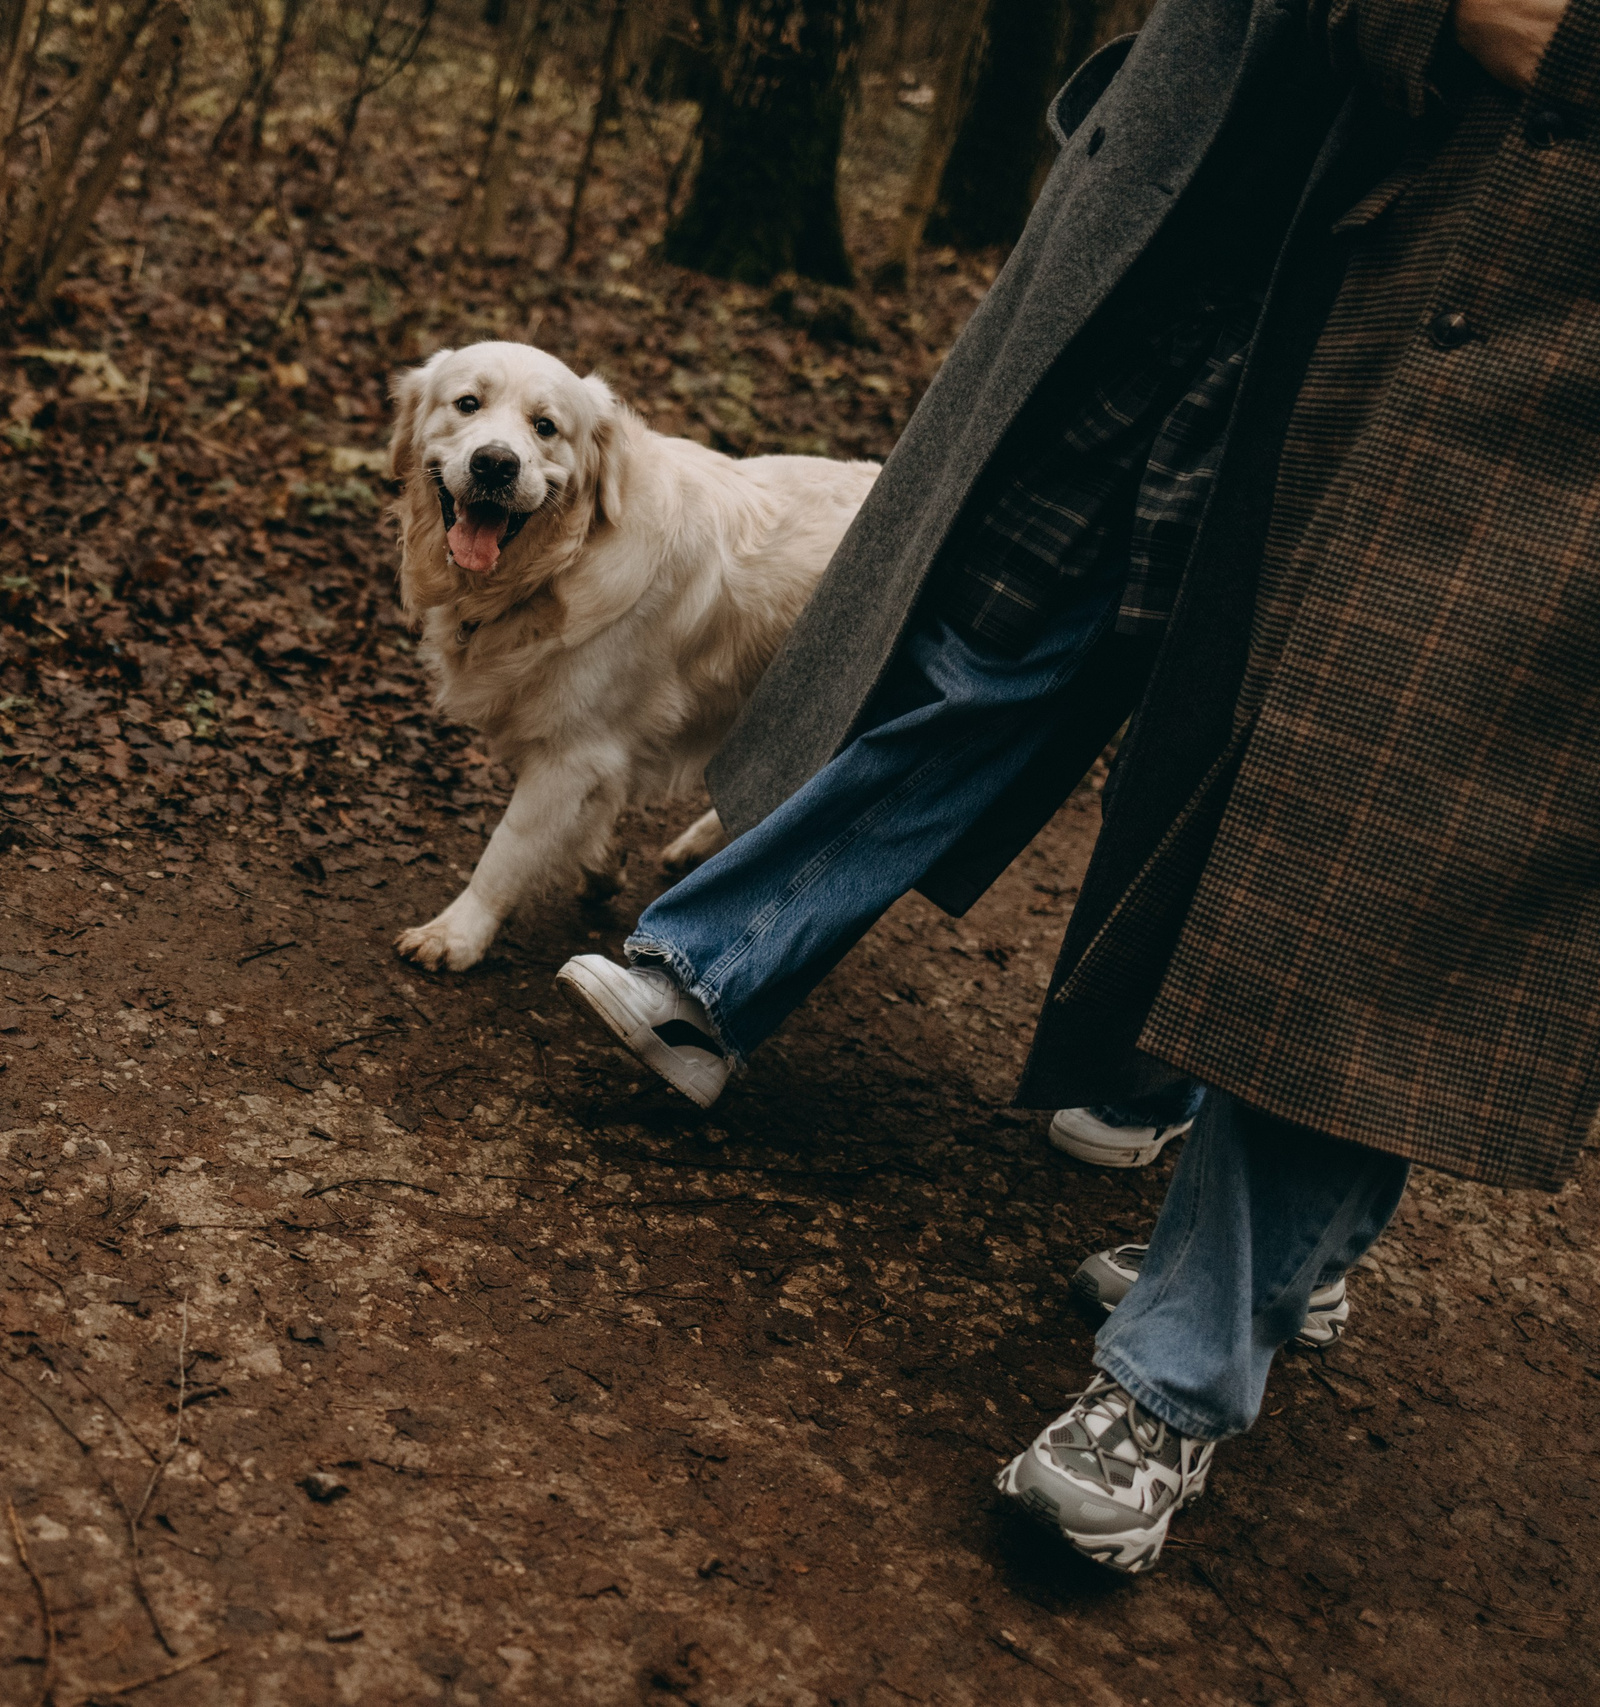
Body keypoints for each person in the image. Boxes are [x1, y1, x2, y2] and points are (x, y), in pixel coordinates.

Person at [556, 0, 1598, 1574]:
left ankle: (1175, 1378)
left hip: (1549, 424)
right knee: (1226, 766)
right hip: (1346, 289)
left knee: (1381, 865)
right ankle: (1264, 1235)